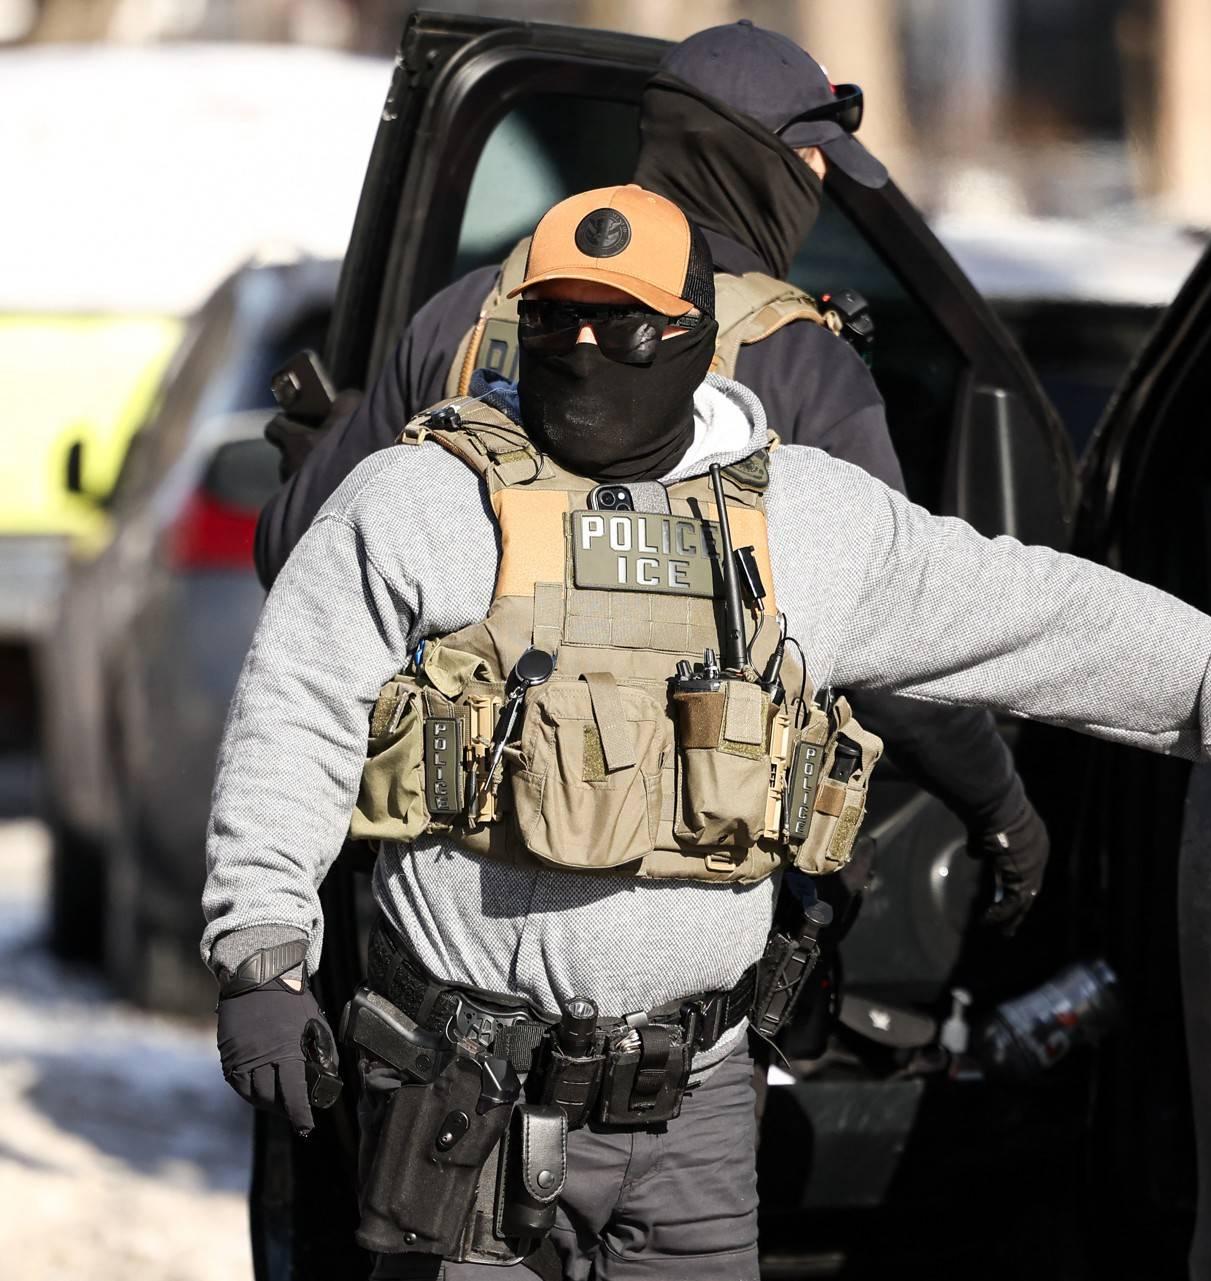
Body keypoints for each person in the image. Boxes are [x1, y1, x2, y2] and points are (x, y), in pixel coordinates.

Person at [205, 182, 1211, 1280]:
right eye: (553, 319)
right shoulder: (423, 500)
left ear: (690, 338)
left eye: (619, 326)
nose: (579, 350)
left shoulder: (798, 521)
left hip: (696, 1111)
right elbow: (294, 711)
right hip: (467, 1098)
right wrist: (262, 949)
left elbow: (1036, 613)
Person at [255, 19, 1047, 937]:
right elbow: (899, 643)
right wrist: (1003, 812)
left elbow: (299, 560)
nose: (822, 187)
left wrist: (324, 459)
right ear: (761, 165)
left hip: (449, 915)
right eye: (814, 164)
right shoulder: (801, 367)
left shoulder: (470, 314)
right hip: (683, 928)